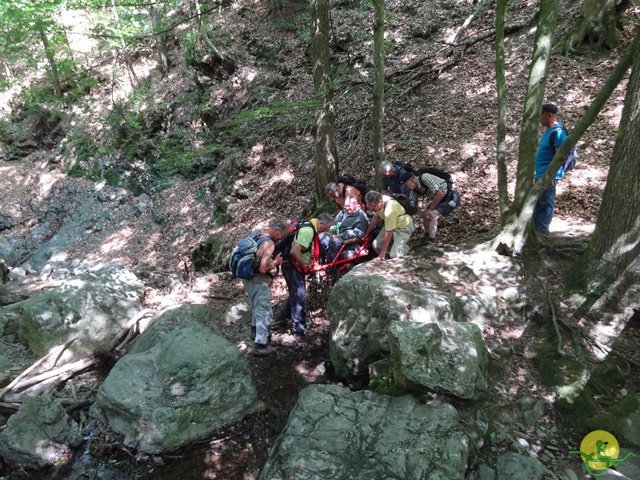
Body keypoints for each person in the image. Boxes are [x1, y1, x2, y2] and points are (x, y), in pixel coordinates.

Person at [276, 214, 333, 337]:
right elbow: (294, 251)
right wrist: (305, 265)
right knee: (299, 296)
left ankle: (280, 319)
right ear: (321, 223)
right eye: (326, 227)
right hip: (293, 266)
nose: (326, 230)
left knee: (295, 293)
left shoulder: (308, 225)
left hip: (290, 264)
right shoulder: (308, 231)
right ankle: (298, 329)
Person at [241, 219, 290, 356]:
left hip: (247, 277)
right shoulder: (269, 244)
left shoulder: (258, 233)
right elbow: (263, 268)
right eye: (281, 236)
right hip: (257, 279)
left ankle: (255, 332)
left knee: (256, 306)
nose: (281, 239)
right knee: (262, 308)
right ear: (276, 231)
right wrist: (276, 262)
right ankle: (261, 345)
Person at [533, 103, 568, 235]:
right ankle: (535, 230)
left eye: (540, 116)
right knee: (538, 203)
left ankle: (542, 232)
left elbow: (560, 157)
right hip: (541, 174)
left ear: (549, 115)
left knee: (545, 203)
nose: (539, 120)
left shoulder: (558, 132)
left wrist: (551, 176)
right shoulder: (549, 131)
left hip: (548, 176)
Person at [403, 172, 460, 245]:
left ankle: (431, 241)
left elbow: (440, 193)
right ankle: (426, 236)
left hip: (451, 196)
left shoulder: (424, 178)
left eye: (406, 185)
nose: (406, 188)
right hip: (440, 200)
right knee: (424, 214)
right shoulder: (414, 190)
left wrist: (431, 208)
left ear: (412, 180)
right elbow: (412, 205)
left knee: (431, 215)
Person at [363, 191, 414, 259]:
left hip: (403, 226)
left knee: (394, 255)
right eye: (369, 206)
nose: (371, 209)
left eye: (373, 206)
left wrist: (382, 253)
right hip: (391, 224)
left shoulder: (389, 210)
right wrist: (367, 233)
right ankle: (387, 256)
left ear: (380, 201)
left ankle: (405, 248)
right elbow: (375, 218)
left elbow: (389, 232)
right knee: (376, 245)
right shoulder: (378, 203)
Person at [320, 195, 369, 264]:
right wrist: (331, 230)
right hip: (335, 234)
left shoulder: (361, 216)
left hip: (347, 240)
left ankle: (330, 266)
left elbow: (359, 233)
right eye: (345, 206)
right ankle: (320, 264)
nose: (347, 208)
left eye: (349, 206)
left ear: (355, 205)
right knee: (320, 238)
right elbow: (335, 223)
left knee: (334, 241)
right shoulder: (343, 212)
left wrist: (341, 235)